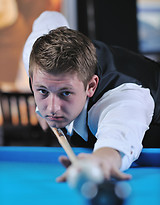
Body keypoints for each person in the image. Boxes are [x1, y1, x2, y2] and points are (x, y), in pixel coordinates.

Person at [23, 11, 160, 183]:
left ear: (91, 86)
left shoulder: (122, 98)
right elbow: (49, 16)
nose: (52, 108)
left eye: (65, 93)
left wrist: (100, 161)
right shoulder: (36, 54)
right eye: (43, 91)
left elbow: (117, 138)